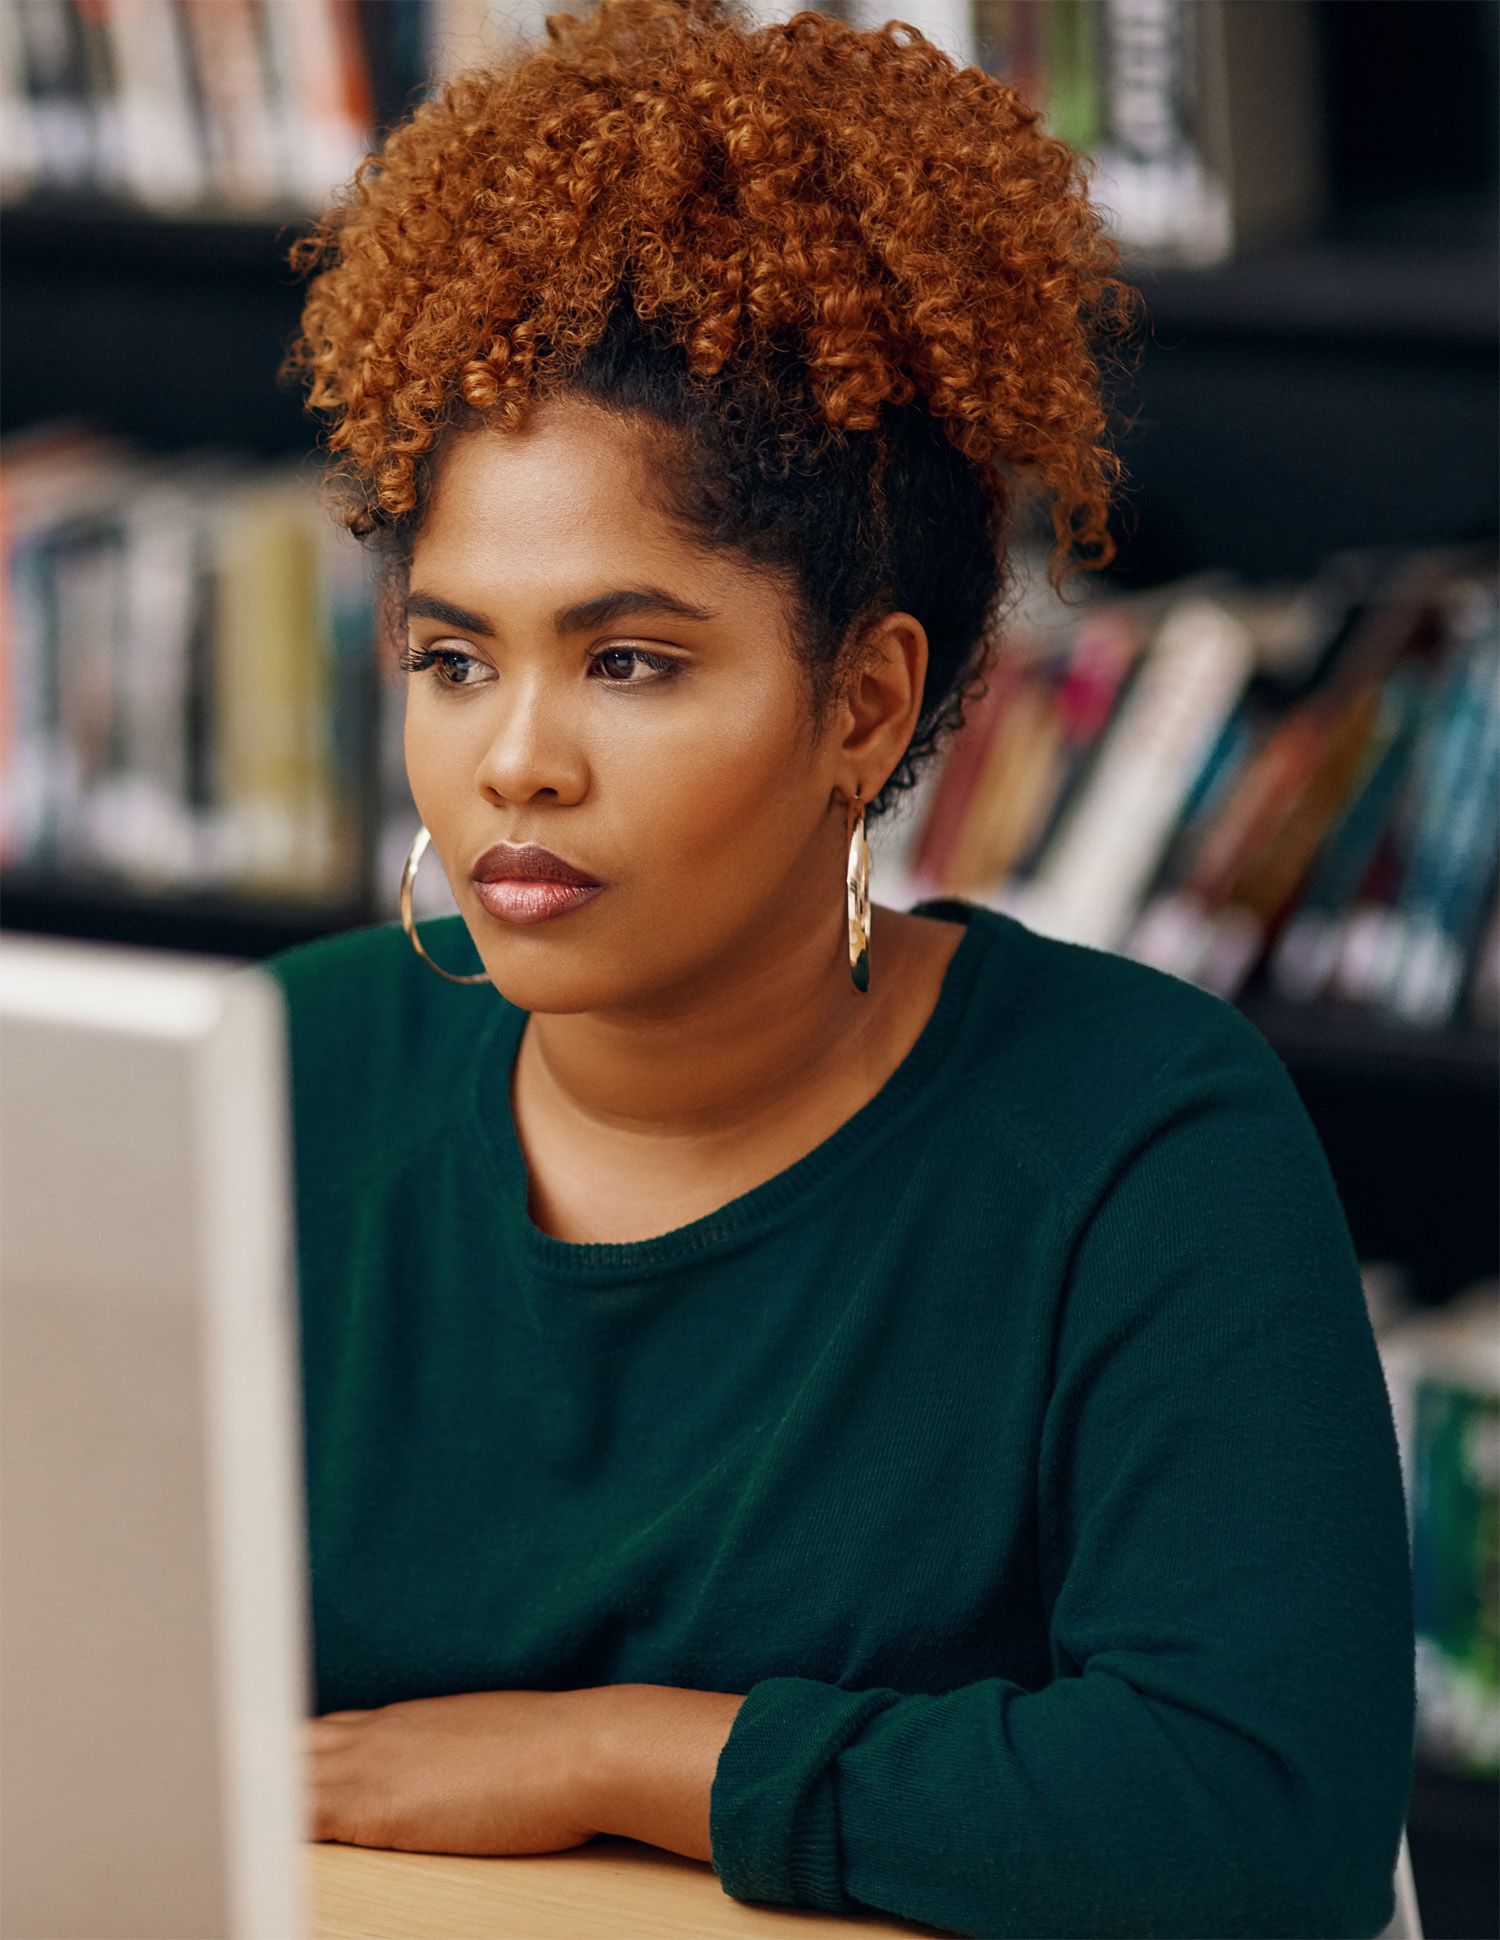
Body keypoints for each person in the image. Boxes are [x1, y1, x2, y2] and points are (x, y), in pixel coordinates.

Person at [276, 4, 1413, 1934]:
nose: (511, 757)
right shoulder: (276, 1077)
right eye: (454, 657)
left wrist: (607, 1753)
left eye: (629, 660)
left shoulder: (1144, 1138)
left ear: (863, 709)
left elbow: (1254, 1811)